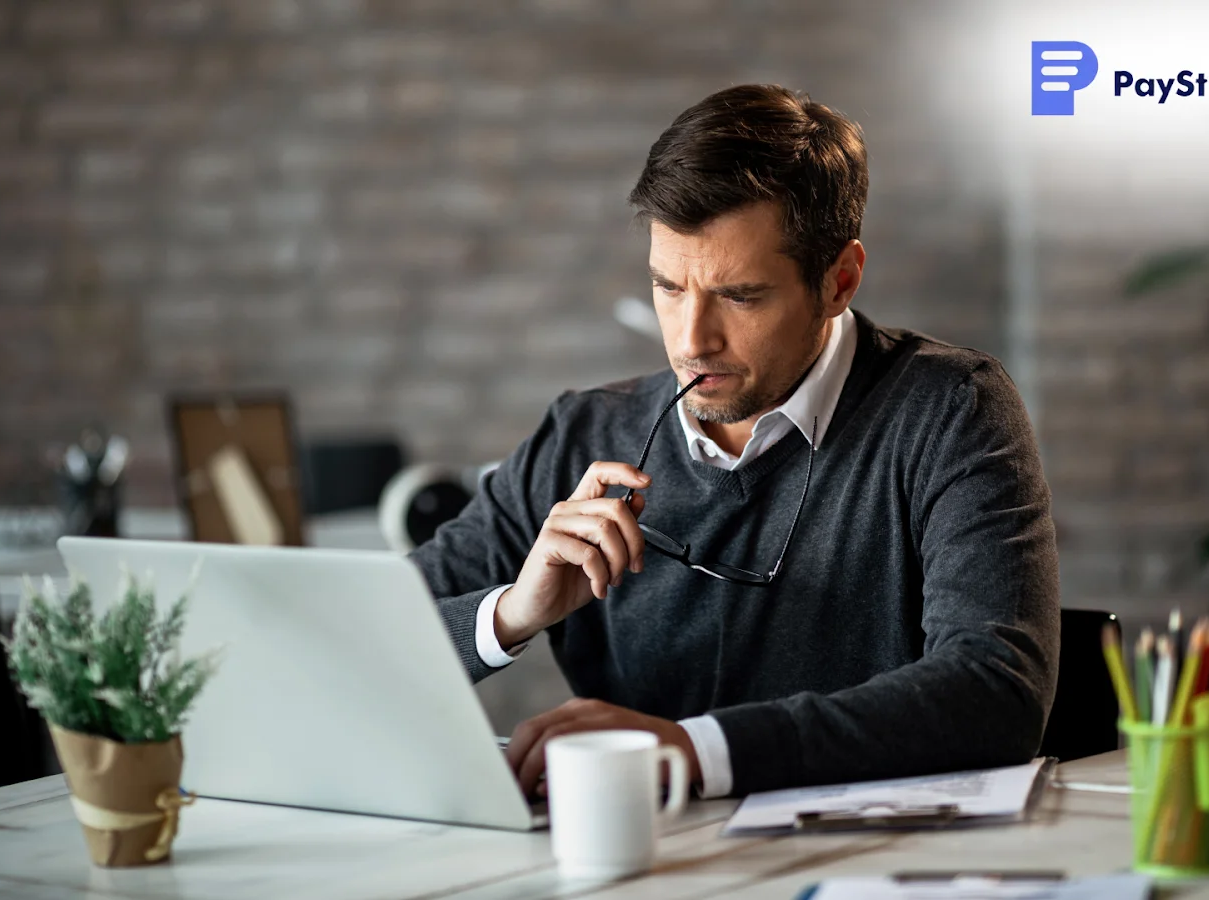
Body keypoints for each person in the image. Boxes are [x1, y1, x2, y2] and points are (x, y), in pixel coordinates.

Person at [410, 84, 1060, 800]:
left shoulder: (951, 409)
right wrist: (511, 612)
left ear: (839, 280)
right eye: (668, 287)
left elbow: (996, 692)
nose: (692, 341)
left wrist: (694, 749)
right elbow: (357, 641)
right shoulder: (582, 434)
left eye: (740, 296)